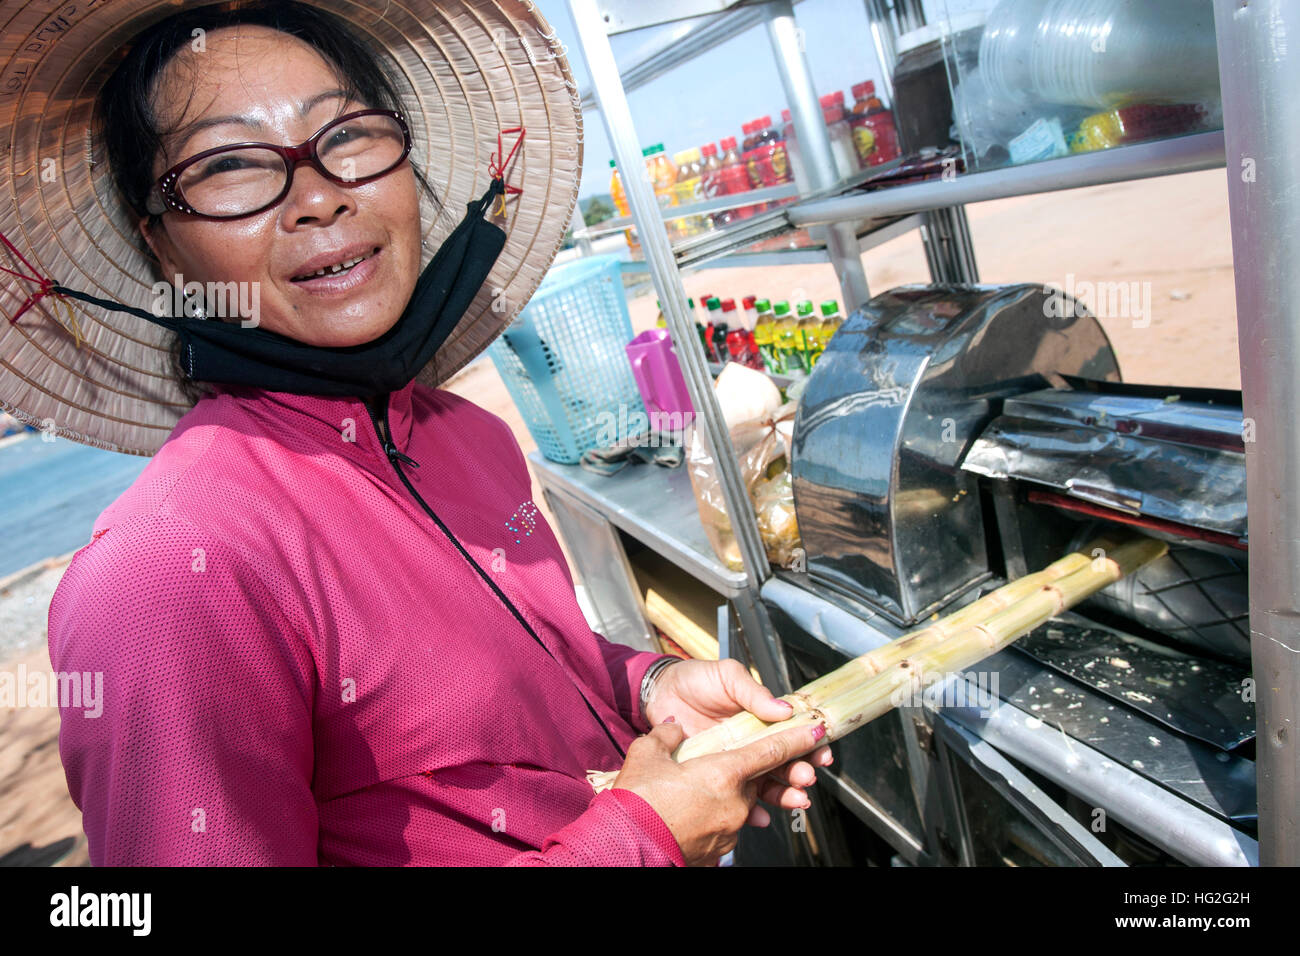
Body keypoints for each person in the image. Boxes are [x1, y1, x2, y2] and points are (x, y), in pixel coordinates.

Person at [2, 0, 830, 865]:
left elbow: (541, 668)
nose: (320, 198)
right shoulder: (169, 576)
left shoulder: (468, 436)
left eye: (349, 135)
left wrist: (650, 687)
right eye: (230, 166)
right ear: (164, 247)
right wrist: (638, 840)